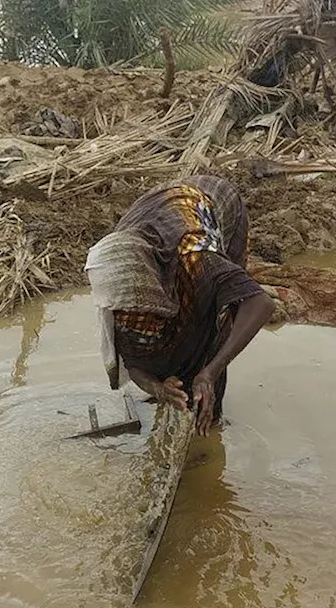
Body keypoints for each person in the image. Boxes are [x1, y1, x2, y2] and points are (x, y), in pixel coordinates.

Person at [84, 175, 274, 435]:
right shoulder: (117, 281)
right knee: (158, 332)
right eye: (126, 311)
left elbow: (260, 303)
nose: (130, 316)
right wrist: (158, 388)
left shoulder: (196, 258)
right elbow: (134, 360)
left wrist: (210, 372)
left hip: (215, 205)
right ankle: (183, 388)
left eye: (137, 308)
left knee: (212, 313)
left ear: (150, 287)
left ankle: (209, 406)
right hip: (157, 213)